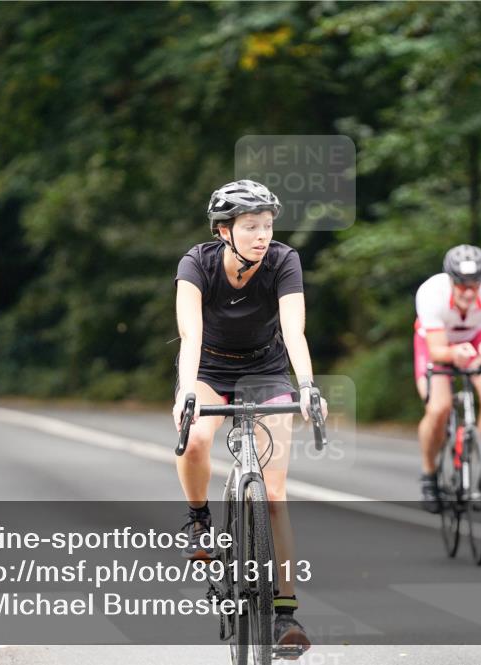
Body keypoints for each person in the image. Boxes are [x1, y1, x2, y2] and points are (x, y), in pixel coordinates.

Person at [172, 179, 325, 655]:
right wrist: (184, 392)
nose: (262, 235)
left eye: (268, 225)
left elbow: (294, 331)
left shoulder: (283, 261)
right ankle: (198, 520)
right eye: (251, 226)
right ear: (224, 230)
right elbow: (190, 336)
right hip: (210, 367)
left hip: (266, 368)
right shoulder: (196, 265)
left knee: (275, 493)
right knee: (196, 439)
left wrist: (307, 387)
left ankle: (285, 614)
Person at [413, 245, 481, 513]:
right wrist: (454, 354)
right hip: (437, 345)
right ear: (450, 280)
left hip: (476, 339)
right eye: (462, 285)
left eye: (475, 284)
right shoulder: (431, 293)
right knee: (438, 408)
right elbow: (436, 350)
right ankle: (429, 475)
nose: (468, 291)